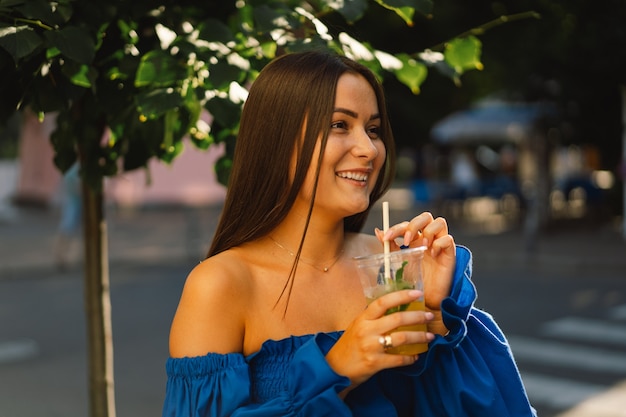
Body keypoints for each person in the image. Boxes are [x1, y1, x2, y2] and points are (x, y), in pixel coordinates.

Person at [162, 50, 536, 416]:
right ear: (278, 140)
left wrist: (437, 318)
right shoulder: (221, 286)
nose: (369, 148)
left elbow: (486, 405)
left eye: (373, 129)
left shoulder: (395, 267)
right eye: (340, 125)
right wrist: (336, 371)